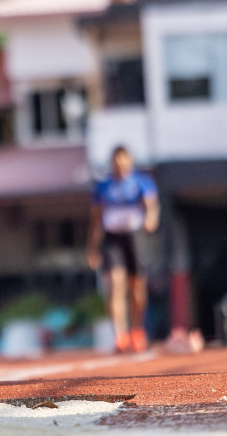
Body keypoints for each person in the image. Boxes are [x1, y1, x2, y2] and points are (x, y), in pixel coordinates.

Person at [87, 144, 160, 353]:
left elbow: (152, 206)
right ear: (111, 162)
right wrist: (92, 248)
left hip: (135, 237)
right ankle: (120, 335)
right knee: (116, 286)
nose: (120, 164)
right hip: (112, 240)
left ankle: (137, 331)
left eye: (123, 160)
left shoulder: (141, 182)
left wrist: (151, 218)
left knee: (136, 287)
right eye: (116, 160)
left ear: (129, 161)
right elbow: (95, 220)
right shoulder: (103, 187)